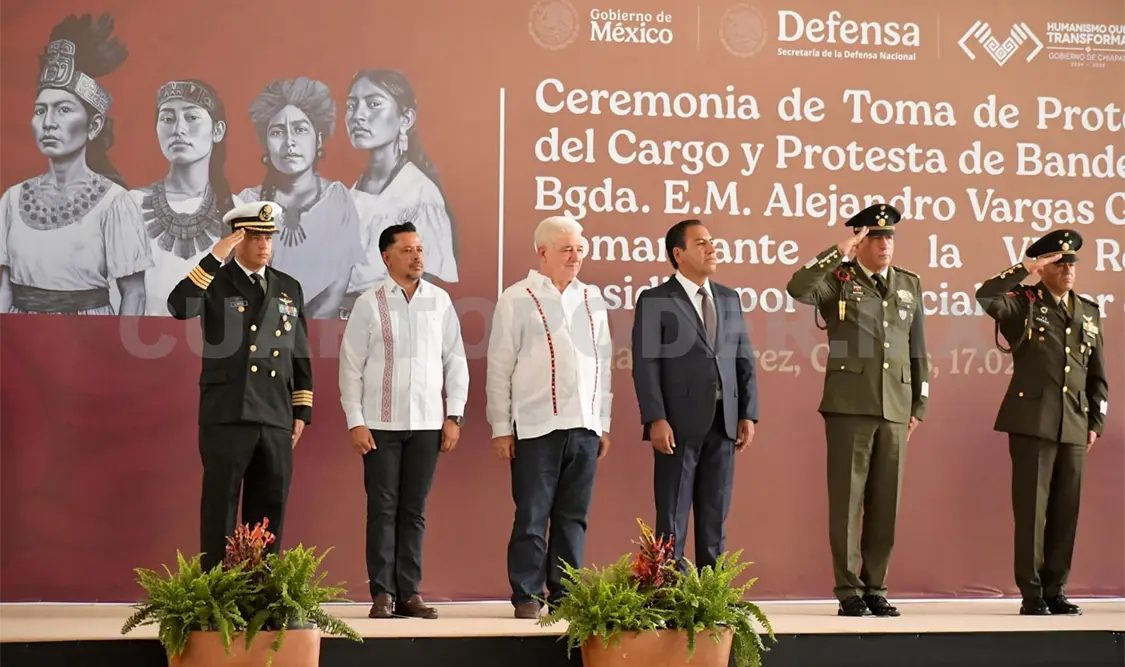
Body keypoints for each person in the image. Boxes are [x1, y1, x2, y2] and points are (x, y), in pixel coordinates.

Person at [784, 203, 928, 618]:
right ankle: (848, 588)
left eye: (889, 237)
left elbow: (917, 349)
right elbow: (798, 287)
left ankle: (875, 587)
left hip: (897, 406)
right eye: (876, 237)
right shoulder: (838, 279)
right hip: (850, 403)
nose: (884, 245)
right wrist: (838, 251)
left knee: (886, 502)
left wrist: (919, 402)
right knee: (848, 501)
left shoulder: (908, 284)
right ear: (861, 240)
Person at [167, 200, 313, 572]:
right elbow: (179, 306)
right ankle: (215, 592)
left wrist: (301, 408)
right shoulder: (217, 280)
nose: (264, 244)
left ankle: (260, 594)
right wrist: (215, 257)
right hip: (228, 411)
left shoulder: (288, 287)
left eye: (269, 236)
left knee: (269, 510)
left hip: (275, 413)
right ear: (236, 238)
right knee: (221, 508)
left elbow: (299, 351)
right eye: (254, 236)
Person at [338, 222, 469, 620]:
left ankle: (409, 592)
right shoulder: (370, 302)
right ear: (386, 256)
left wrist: (455, 414)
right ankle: (382, 594)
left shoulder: (440, 301)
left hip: (428, 423)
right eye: (408, 249)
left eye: (420, 249)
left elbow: (455, 360)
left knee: (414, 510)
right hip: (379, 423)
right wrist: (355, 421)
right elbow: (350, 366)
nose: (417, 256)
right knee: (383, 507)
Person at [974, 229, 1107, 616]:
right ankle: (1032, 593)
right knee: (1032, 511)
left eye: (1070, 263)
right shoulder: (1023, 302)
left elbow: (1097, 374)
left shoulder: (1088, 311)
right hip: (1033, 420)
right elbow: (986, 296)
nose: (1067, 269)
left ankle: (1055, 589)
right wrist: (1025, 269)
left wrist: (1095, 420)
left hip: (1075, 423)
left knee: (1066, 511)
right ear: (1043, 267)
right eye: (1058, 262)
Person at [486, 215, 613, 619]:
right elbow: (499, 366)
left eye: (580, 248)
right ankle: (526, 594)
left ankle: (565, 594)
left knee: (573, 517)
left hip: (585, 425)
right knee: (532, 515)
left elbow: (602, 363)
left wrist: (602, 421)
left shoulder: (592, 298)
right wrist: (501, 428)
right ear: (543, 252)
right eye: (567, 249)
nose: (576, 256)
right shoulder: (517, 297)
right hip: (536, 425)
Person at [630, 219, 759, 572]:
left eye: (712, 241)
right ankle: (669, 594)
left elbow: (743, 358)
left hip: (724, 422)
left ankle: (710, 594)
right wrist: (655, 418)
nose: (711, 248)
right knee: (672, 516)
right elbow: (646, 365)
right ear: (678, 254)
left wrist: (748, 412)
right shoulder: (656, 299)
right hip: (678, 423)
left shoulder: (729, 299)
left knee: (714, 515)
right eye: (701, 243)